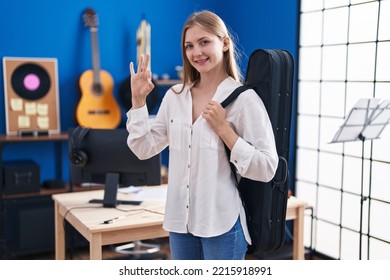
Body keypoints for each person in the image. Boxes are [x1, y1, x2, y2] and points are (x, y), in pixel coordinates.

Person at [126, 10, 278, 260]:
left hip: (221, 225)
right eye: (189, 46)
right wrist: (138, 101)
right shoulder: (175, 96)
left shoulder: (244, 100)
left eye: (204, 42)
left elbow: (267, 167)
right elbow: (143, 148)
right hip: (179, 223)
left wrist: (224, 130)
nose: (196, 52)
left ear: (225, 43)